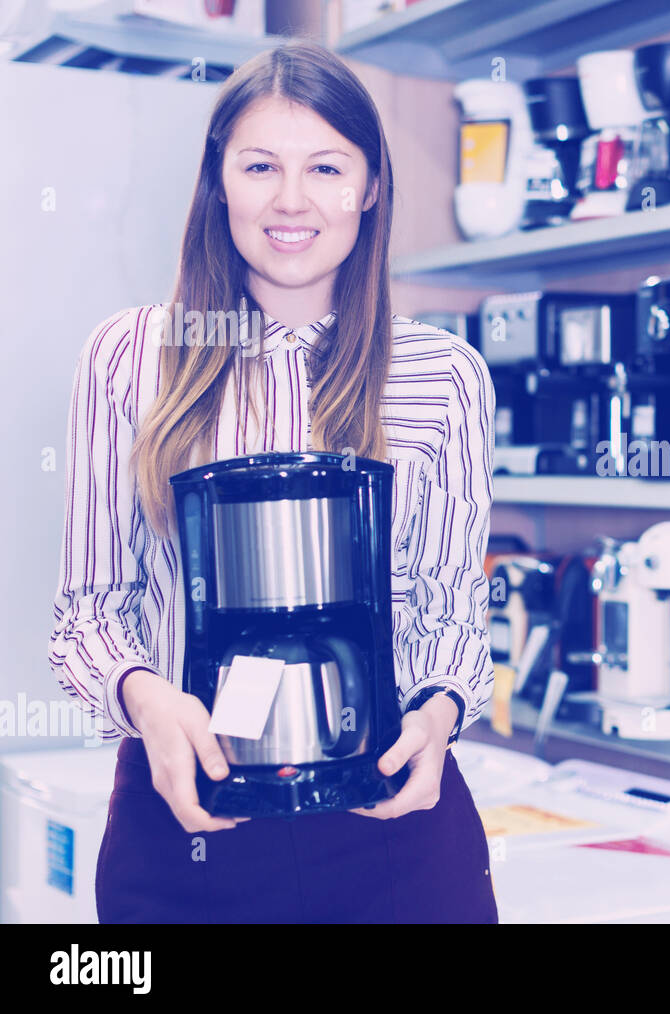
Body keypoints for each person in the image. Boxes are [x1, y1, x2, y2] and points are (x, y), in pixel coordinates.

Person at [47, 40, 498, 923]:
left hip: (394, 825)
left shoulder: (444, 374)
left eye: (327, 167)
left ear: (370, 188)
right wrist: (146, 696)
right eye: (260, 166)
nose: (292, 201)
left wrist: (441, 710)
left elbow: (453, 609)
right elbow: (88, 610)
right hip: (185, 819)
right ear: (220, 182)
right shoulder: (129, 358)